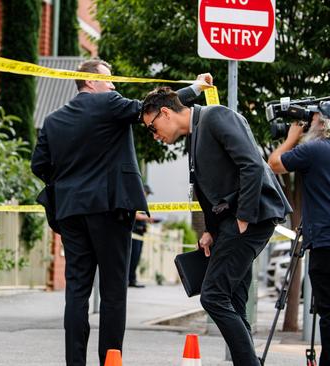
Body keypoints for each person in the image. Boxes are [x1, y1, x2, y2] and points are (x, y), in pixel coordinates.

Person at [31, 58, 211, 366]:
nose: (114, 85)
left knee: (76, 291)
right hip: (110, 208)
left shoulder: (53, 121)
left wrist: (69, 186)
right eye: (109, 79)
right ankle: (109, 360)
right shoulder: (108, 103)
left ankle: (75, 362)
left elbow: (39, 166)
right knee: (114, 291)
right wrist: (195, 88)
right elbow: (151, 109)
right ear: (90, 82)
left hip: (70, 212)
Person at [140, 87, 291, 366]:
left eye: (152, 127)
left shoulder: (216, 116)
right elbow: (213, 191)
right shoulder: (196, 133)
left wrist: (243, 217)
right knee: (232, 298)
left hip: (250, 218)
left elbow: (251, 166)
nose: (155, 135)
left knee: (213, 296)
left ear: (165, 112)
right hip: (231, 224)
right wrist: (210, 230)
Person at [268, 101, 330, 366]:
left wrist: (291, 138)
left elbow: (274, 163)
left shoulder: (315, 149)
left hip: (328, 244)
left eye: (313, 119)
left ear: (322, 123)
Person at [129, 185, 157, 288]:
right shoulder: (136, 199)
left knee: (136, 258)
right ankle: (129, 280)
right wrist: (147, 218)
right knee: (132, 257)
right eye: (147, 193)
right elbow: (134, 214)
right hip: (134, 234)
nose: (147, 196)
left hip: (140, 234)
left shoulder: (142, 202)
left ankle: (132, 279)